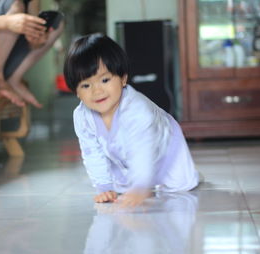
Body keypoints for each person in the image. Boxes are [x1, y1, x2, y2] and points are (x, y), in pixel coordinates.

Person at [64, 33, 200, 207]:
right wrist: (104, 186)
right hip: (127, 153)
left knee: (181, 186)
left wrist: (140, 188)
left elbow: (142, 150)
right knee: (122, 184)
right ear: (76, 91)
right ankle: (139, 179)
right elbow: (91, 152)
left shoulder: (137, 110)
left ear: (123, 78)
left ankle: (155, 178)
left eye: (104, 80)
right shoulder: (82, 116)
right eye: (86, 85)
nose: (97, 91)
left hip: (164, 144)